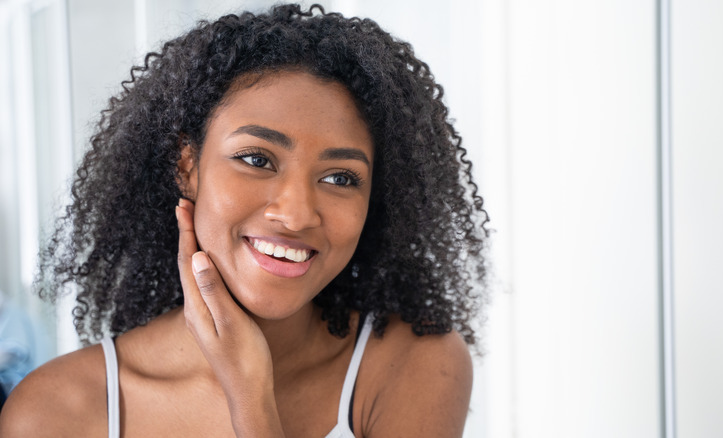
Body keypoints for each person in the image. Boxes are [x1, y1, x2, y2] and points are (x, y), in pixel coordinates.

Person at [0, 3, 489, 436]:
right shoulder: (56, 412)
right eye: (257, 159)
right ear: (187, 167)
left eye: (341, 178)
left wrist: (251, 397)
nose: (296, 215)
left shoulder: (414, 364)